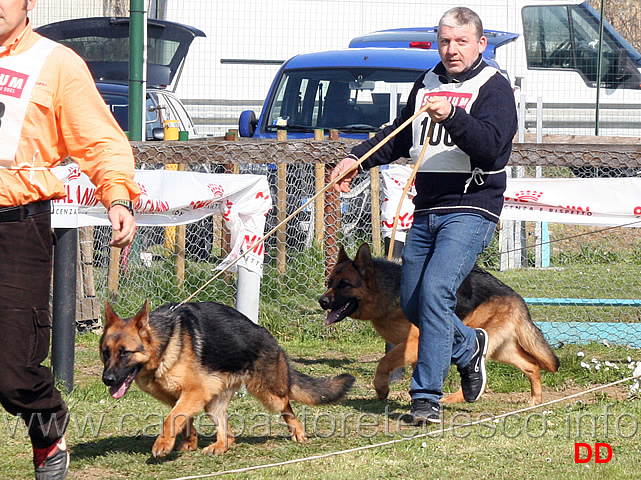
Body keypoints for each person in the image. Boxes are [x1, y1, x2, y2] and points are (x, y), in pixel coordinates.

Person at [330, 6, 517, 424]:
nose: (451, 50)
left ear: (480, 44)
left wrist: (453, 116)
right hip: (427, 208)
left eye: (461, 42)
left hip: (471, 206)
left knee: (435, 293)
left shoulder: (494, 87)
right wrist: (356, 160)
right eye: (445, 41)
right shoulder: (427, 81)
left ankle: (425, 398)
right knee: (414, 303)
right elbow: (397, 135)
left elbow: (491, 146)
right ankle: (468, 347)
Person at [0, 1, 141, 478]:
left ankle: (49, 434)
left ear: (27, 3)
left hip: (16, 227)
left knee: (12, 369)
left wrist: (117, 196)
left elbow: (100, 140)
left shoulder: (56, 64)